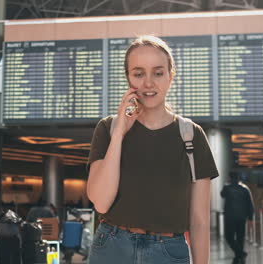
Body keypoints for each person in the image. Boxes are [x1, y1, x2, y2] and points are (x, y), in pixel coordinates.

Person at [87, 35, 219, 264]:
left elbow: (199, 221)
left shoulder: (192, 135)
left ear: (171, 76)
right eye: (138, 74)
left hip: (167, 252)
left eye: (158, 73)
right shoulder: (108, 129)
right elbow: (100, 202)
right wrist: (119, 134)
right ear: (128, 78)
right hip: (111, 247)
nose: (148, 83)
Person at [221, 172, 254, 264]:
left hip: (230, 217)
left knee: (229, 237)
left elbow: (222, 195)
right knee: (240, 237)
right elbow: (250, 204)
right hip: (242, 217)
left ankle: (240, 254)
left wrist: (226, 183)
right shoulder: (245, 189)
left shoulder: (227, 188)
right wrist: (250, 218)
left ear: (229, 178)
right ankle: (240, 255)